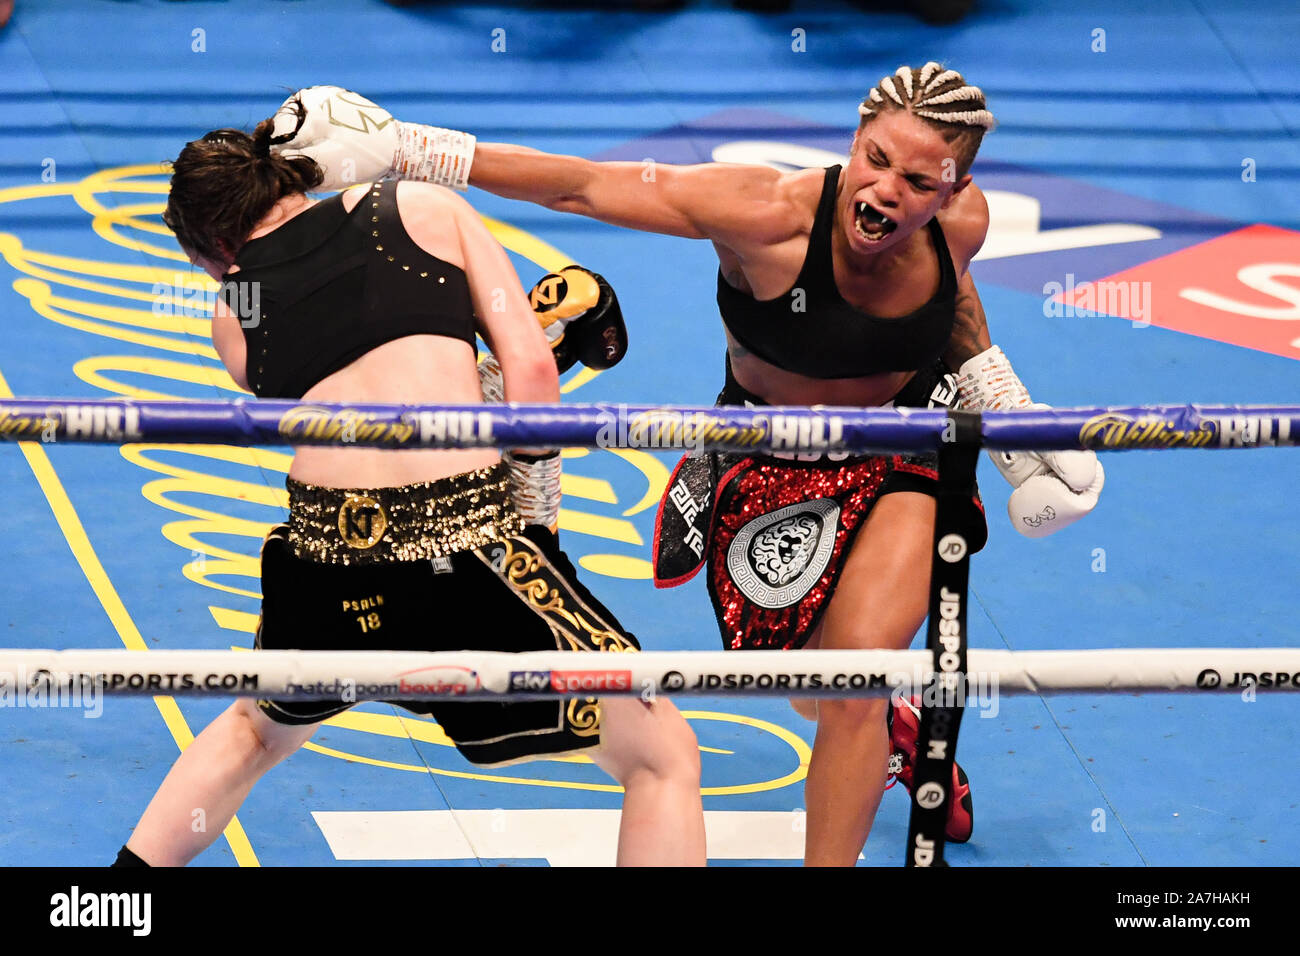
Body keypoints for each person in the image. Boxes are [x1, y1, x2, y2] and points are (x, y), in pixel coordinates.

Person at [272, 64, 1104, 865]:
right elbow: (582, 185)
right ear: (855, 139)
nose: (886, 191)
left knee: (855, 676)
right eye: (876, 160)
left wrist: (1014, 418)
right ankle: (896, 723)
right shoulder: (763, 212)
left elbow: (950, 298)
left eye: (919, 185)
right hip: (762, 462)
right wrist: (404, 147)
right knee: (816, 692)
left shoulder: (965, 222)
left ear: (953, 191)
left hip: (902, 453)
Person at [112, 104, 706, 867]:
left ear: (218, 249)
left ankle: (106, 907)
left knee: (256, 729)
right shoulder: (419, 203)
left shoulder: (234, 315)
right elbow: (524, 380)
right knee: (662, 757)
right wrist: (539, 523)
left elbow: (364, 403)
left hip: (323, 560)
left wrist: (503, 370)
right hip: (465, 545)